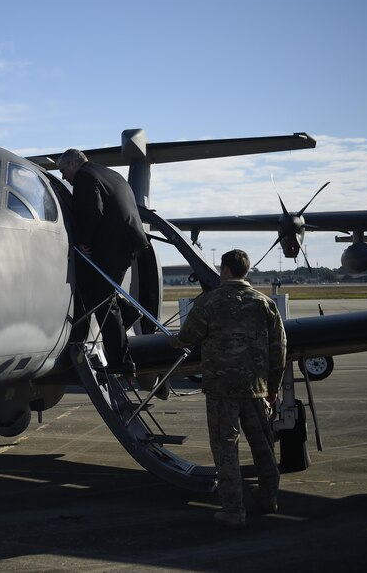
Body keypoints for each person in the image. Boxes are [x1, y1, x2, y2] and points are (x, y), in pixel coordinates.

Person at [168, 249, 286, 529]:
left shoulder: (210, 302)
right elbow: (279, 349)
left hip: (221, 391)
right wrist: (273, 387)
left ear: (225, 270)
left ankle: (233, 510)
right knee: (263, 446)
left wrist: (172, 341)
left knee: (226, 450)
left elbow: (187, 338)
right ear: (245, 271)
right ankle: (269, 497)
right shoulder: (265, 304)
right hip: (256, 389)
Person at [56, 148, 150, 378]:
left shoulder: (85, 177)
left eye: (62, 170)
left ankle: (121, 362)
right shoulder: (110, 174)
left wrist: (84, 241)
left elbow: (92, 211)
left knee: (103, 303)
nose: (63, 177)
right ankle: (129, 313)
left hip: (112, 247)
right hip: (128, 244)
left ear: (71, 164)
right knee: (102, 293)